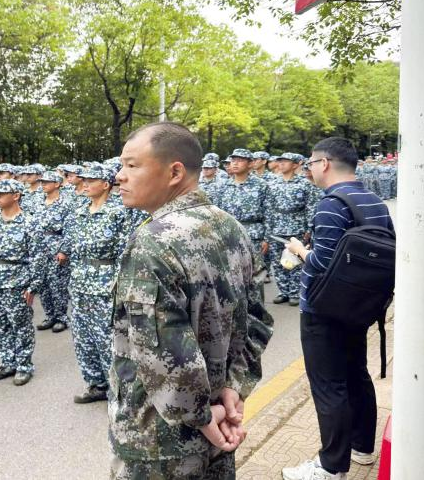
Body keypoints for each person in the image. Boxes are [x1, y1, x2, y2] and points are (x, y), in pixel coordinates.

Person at [110, 122, 267, 479]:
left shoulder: (153, 241)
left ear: (174, 172)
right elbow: (256, 319)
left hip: (159, 441)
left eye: (132, 165)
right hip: (216, 421)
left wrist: (200, 417)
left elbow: (162, 348)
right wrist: (234, 388)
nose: (119, 176)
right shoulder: (230, 226)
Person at [283, 137, 393, 480]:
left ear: (325, 163)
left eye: (310, 163)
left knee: (329, 386)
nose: (309, 170)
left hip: (323, 310)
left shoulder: (331, 204)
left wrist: (300, 250)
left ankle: (331, 466)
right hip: (359, 307)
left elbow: (322, 263)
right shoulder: (374, 200)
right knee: (356, 375)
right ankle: (362, 447)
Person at [58, 164, 128, 404]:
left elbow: (123, 254)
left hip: (105, 285)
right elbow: (71, 247)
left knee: (108, 339)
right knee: (83, 337)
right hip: (80, 284)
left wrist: (118, 287)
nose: (85, 184)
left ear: (106, 184)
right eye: (84, 180)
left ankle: (118, 390)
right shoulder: (79, 212)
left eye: (91, 180)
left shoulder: (118, 212)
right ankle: (96, 384)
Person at [0, 179, 42, 386]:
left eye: (1, 194)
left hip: (16, 281)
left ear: (16, 196)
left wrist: (33, 285)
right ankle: (7, 362)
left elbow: (38, 256)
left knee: (20, 325)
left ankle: (24, 365)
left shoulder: (29, 222)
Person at [267, 153, 314, 307]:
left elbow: (310, 207)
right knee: (278, 262)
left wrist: (309, 228)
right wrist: (268, 230)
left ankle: (295, 293)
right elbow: (268, 208)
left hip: (297, 227)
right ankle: (283, 292)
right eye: (279, 161)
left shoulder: (304, 184)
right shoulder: (272, 183)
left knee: (296, 261)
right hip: (276, 228)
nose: (281, 164)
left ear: (295, 165)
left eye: (285, 162)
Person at [33, 171, 71, 333]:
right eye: (42, 182)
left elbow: (70, 230)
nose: (43, 184)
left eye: (47, 182)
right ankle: (49, 315)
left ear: (57, 184)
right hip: (39, 249)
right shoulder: (38, 202)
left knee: (57, 285)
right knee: (43, 285)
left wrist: (64, 250)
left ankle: (61, 317)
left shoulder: (65, 203)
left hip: (56, 247)